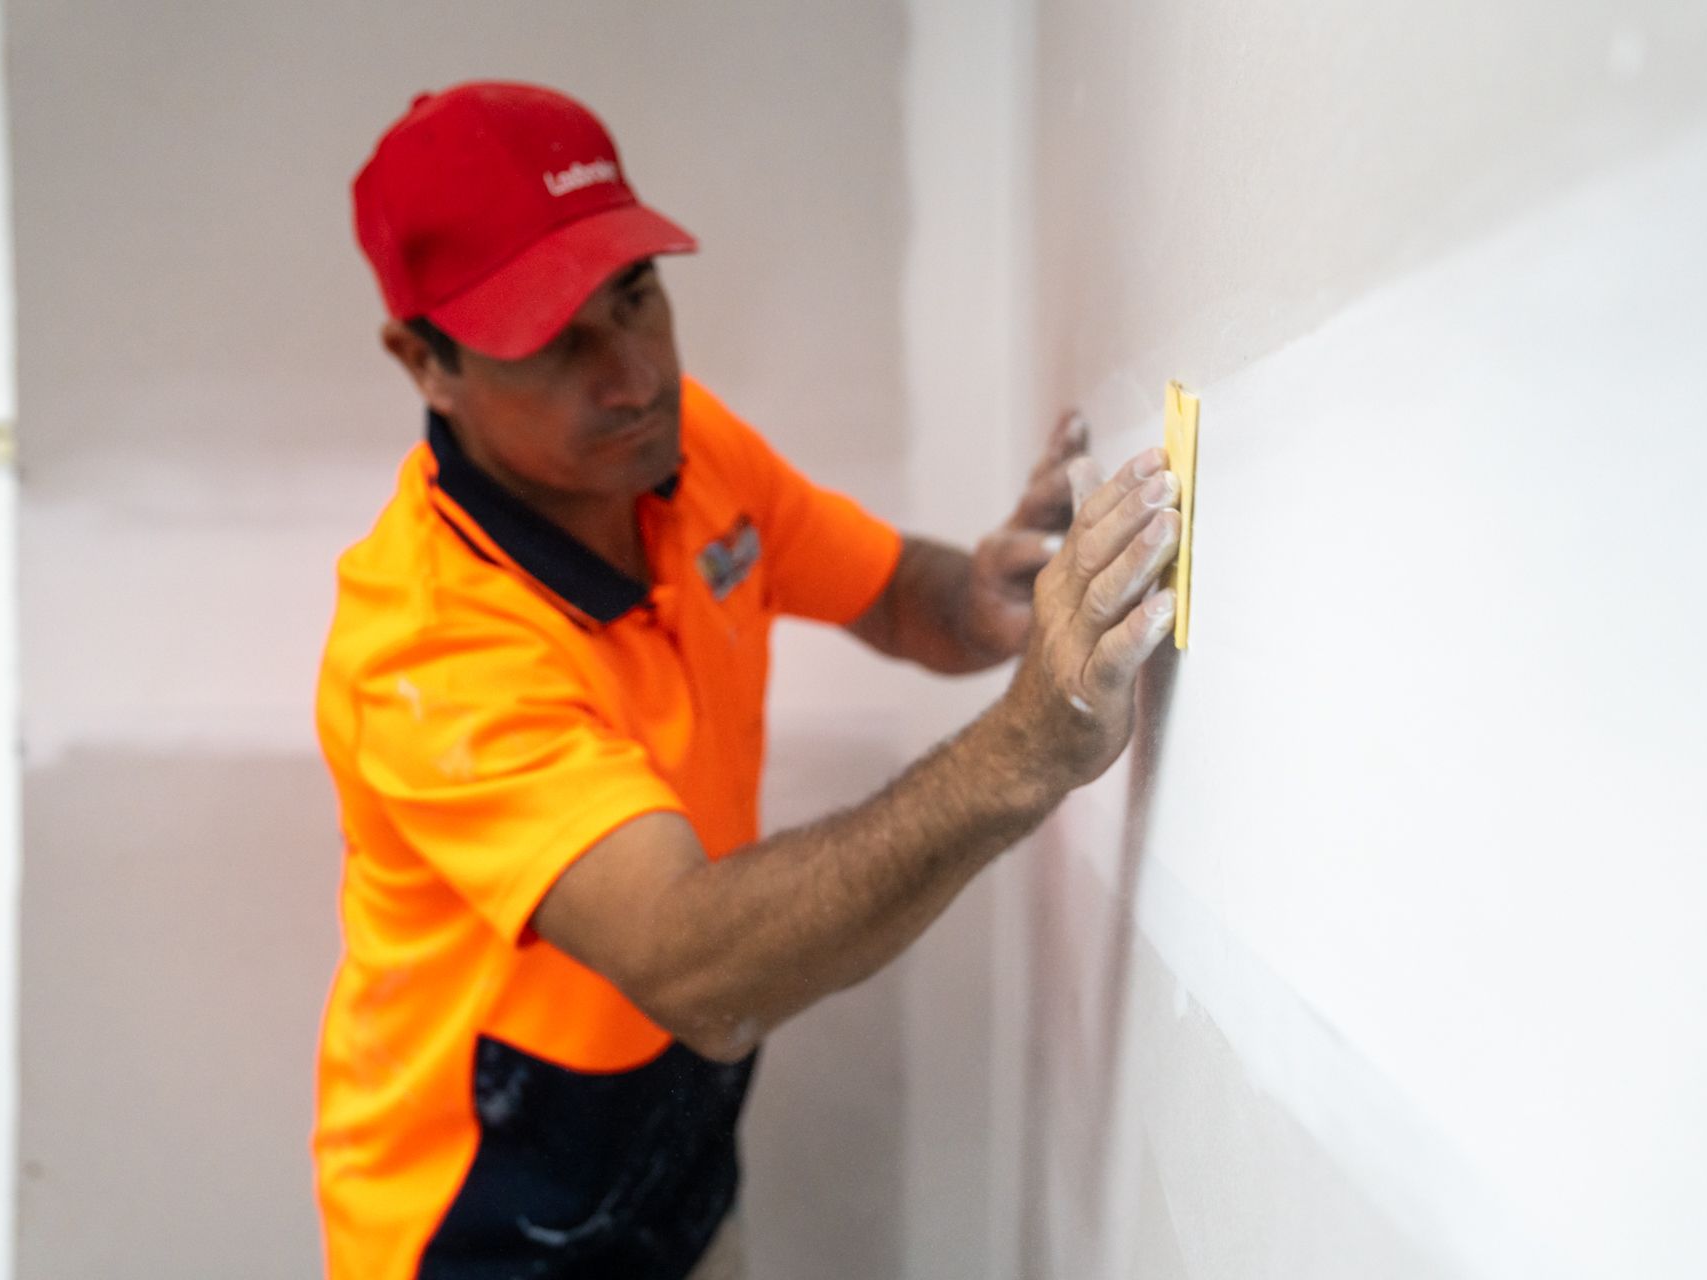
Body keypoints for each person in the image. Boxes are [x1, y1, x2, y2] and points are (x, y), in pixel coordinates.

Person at [314, 80, 1180, 1280]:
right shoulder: (427, 654)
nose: (634, 376)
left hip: (673, 1162)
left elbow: (886, 590)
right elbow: (697, 965)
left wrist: (982, 597)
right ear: (426, 361)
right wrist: (1031, 744)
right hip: (482, 1223)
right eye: (559, 338)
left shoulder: (679, 448)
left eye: (638, 298)